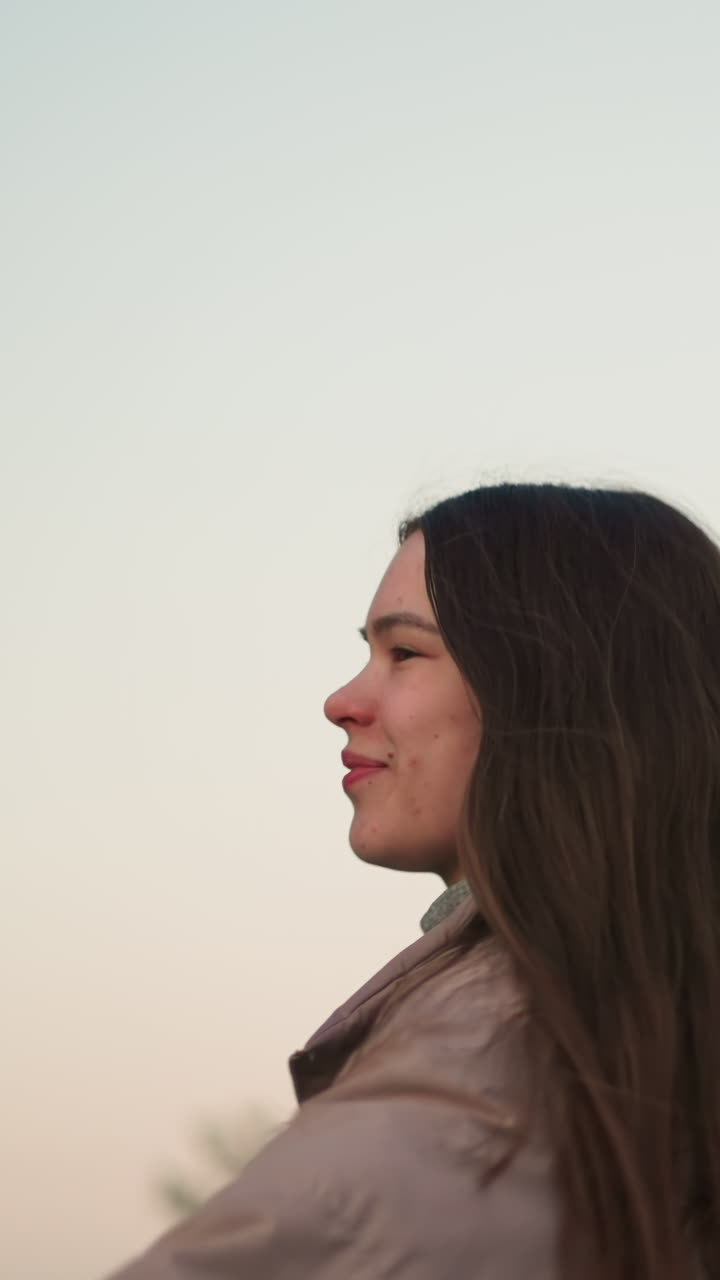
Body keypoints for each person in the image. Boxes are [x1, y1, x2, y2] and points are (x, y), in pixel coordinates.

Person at [108, 482, 720, 1280]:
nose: (341, 701)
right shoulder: (642, 1022)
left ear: (551, 687)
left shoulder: (479, 1062)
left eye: (405, 652)